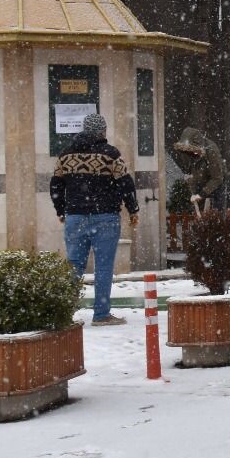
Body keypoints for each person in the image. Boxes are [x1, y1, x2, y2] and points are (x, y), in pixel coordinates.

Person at [51, 113, 139, 326]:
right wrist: (133, 209)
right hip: (106, 216)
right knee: (103, 266)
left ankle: (64, 313)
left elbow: (56, 184)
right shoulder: (111, 154)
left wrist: (61, 210)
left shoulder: (66, 154)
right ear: (102, 131)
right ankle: (101, 314)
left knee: (74, 266)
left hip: (75, 217)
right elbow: (125, 183)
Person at [173, 127, 225, 212]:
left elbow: (217, 178)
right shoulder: (188, 153)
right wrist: (193, 192)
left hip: (217, 183)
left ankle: (217, 217)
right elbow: (193, 174)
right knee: (199, 212)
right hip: (201, 181)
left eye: (192, 151)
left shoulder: (211, 151)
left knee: (217, 212)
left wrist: (202, 194)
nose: (190, 154)